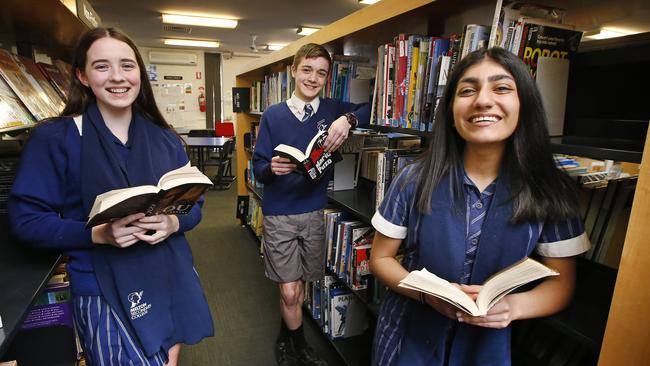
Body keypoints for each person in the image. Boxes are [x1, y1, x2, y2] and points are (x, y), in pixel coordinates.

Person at [369, 47, 591, 366]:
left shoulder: (551, 190)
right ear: (451, 110)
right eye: (468, 90)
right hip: (408, 334)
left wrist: (512, 307)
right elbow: (380, 257)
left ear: (524, 103)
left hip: (490, 344)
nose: (483, 101)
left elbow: (561, 284)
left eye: (501, 88)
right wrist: (426, 294)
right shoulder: (413, 177)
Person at [8, 27, 213, 366]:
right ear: (82, 75)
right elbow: (26, 221)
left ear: (140, 75)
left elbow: (196, 205)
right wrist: (96, 234)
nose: (118, 77)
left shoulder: (166, 138)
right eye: (102, 66)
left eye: (127, 66)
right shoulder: (56, 138)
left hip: (170, 278)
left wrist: (174, 222)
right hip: (105, 290)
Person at [252, 43, 370, 365]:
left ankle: (285, 334)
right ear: (293, 70)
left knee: (299, 286)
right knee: (290, 291)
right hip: (280, 213)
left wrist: (347, 119)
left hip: (315, 210)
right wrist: (270, 169)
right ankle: (299, 348)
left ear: (327, 78)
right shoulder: (273, 114)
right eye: (307, 69)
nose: (313, 78)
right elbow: (257, 168)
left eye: (321, 72)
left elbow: (370, 107)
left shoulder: (332, 109)